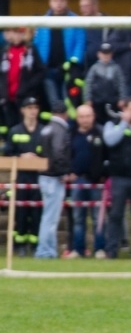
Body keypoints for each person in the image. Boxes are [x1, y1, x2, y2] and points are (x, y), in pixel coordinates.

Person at [103, 98, 131, 259]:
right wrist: (124, 124)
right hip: (118, 178)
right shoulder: (113, 123)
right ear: (125, 110)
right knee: (115, 215)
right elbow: (110, 140)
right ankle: (112, 249)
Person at [4, 97, 44, 256]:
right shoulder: (15, 131)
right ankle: (19, 245)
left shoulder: (43, 131)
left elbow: (48, 153)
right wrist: (22, 156)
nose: (32, 111)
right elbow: (8, 152)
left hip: (38, 177)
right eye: (29, 108)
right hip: (20, 177)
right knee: (20, 212)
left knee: (36, 212)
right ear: (22, 110)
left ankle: (34, 244)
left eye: (35, 107)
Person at [67, 104, 107, 258]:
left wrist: (103, 174)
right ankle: (78, 249)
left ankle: (99, 249)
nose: (85, 119)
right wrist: (70, 172)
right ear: (77, 118)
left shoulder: (101, 133)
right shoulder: (71, 134)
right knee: (78, 218)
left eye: (88, 116)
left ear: (93, 116)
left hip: (97, 182)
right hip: (78, 181)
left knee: (99, 217)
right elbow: (67, 155)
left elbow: (107, 156)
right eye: (81, 116)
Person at [32, 0, 86, 112]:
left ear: (67, 2)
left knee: (69, 100)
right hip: (47, 69)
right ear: (50, 2)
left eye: (62, 1)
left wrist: (73, 63)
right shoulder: (42, 21)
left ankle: (70, 125)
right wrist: (40, 64)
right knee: (51, 101)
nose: (59, 4)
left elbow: (80, 42)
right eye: (56, 1)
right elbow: (37, 44)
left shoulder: (76, 20)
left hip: (68, 69)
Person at [34, 100, 71, 259]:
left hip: (44, 175)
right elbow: (58, 152)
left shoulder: (45, 129)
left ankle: (48, 250)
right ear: (65, 114)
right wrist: (63, 172)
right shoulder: (60, 129)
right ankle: (45, 251)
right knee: (51, 217)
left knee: (48, 216)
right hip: (53, 177)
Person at [0, 28, 46, 132]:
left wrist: (29, 86)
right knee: (10, 125)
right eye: (15, 32)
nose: (17, 36)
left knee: (25, 126)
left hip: (25, 97)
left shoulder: (30, 49)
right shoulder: (5, 50)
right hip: (7, 97)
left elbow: (41, 71)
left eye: (20, 33)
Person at [83, 42, 128, 125]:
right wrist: (87, 99)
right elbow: (88, 83)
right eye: (103, 53)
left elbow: (121, 83)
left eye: (108, 54)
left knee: (113, 120)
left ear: (111, 54)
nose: (106, 56)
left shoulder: (116, 68)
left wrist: (122, 98)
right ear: (99, 54)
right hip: (97, 101)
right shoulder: (94, 68)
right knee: (97, 121)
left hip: (112, 101)